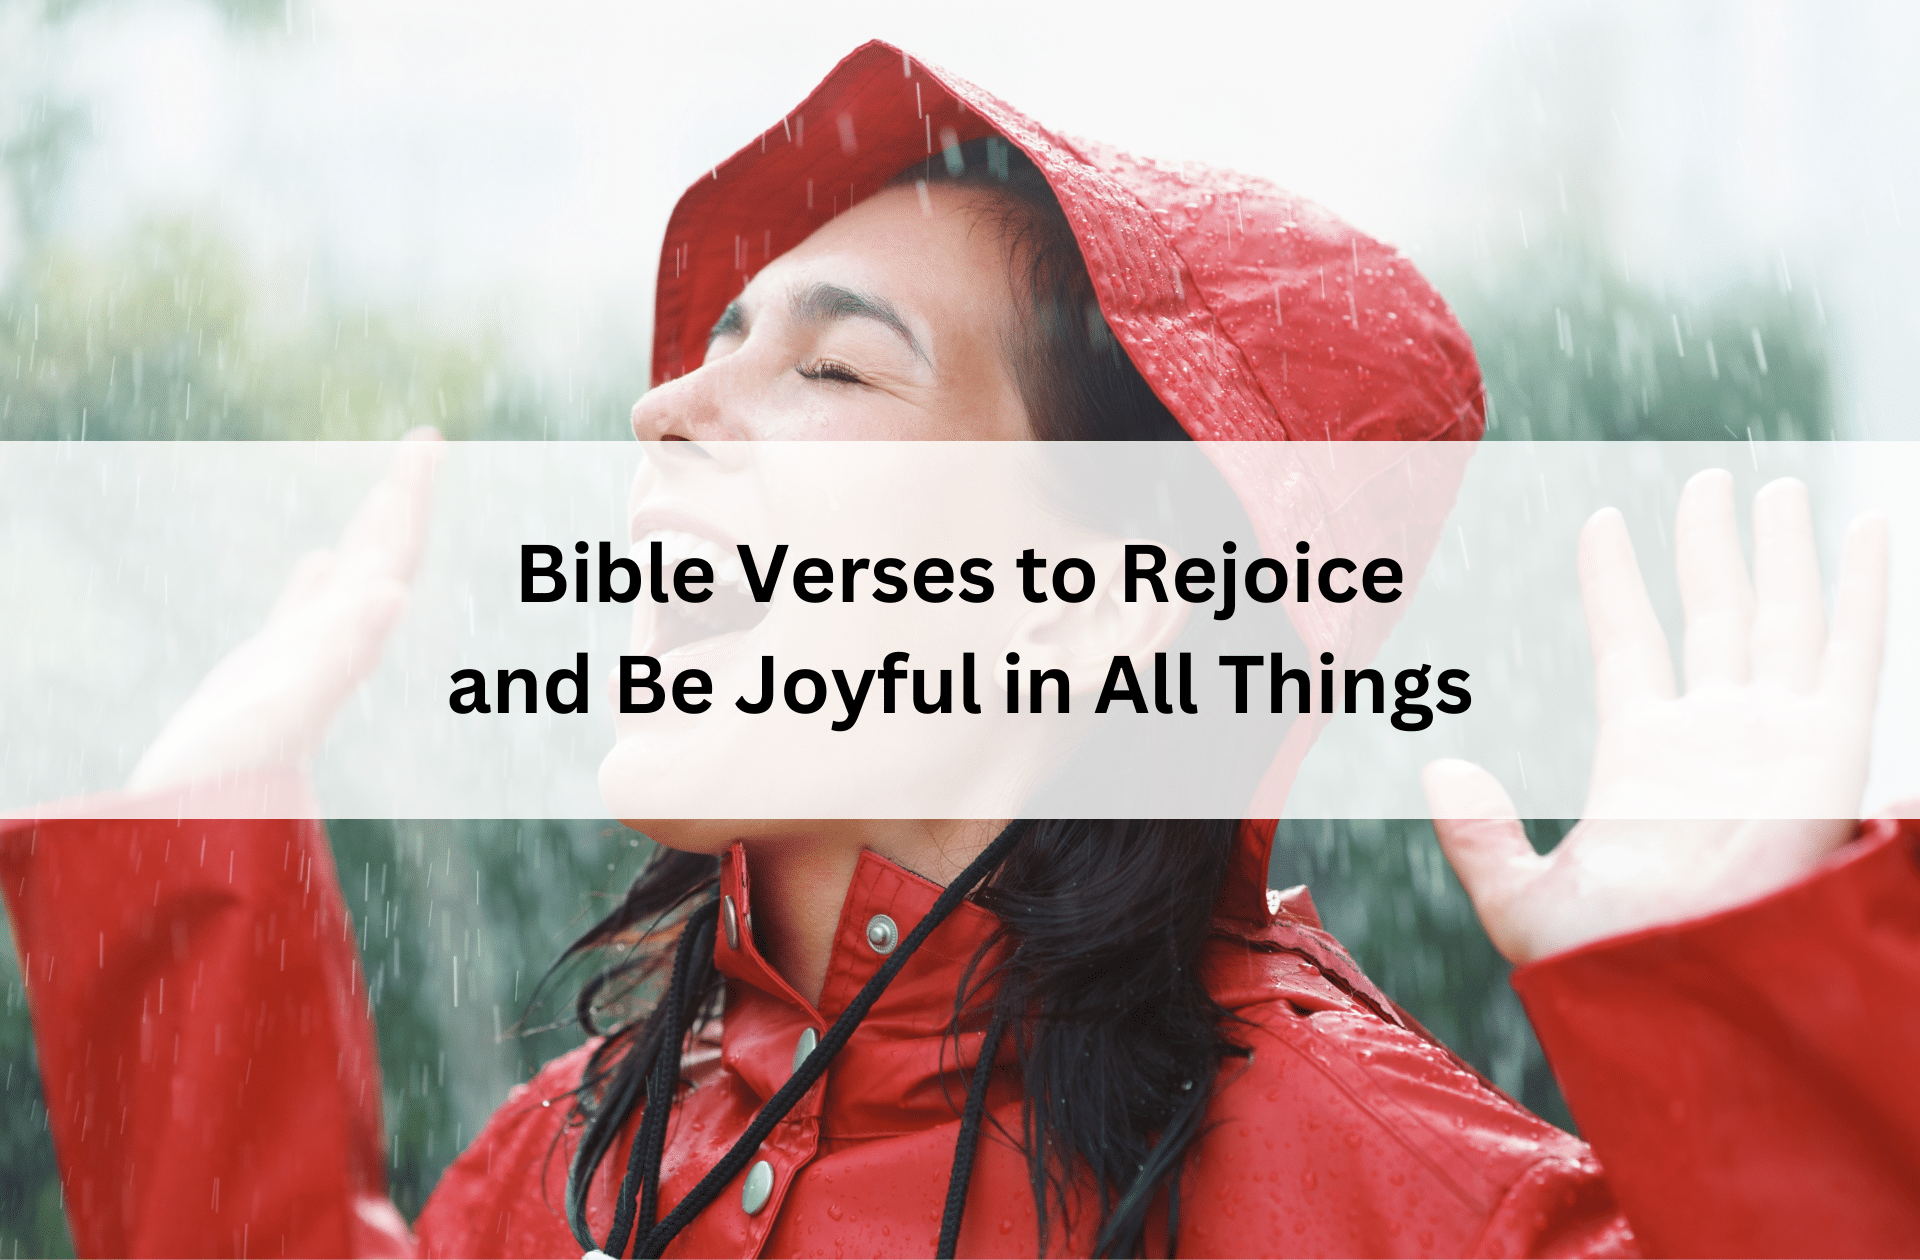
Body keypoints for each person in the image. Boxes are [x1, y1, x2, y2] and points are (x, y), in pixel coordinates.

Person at [5, 39, 1917, 1259]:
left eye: (833, 363)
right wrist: (194, 871)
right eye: (712, 346)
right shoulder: (581, 1161)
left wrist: (1745, 1045)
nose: (670, 408)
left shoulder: (1394, 1202)